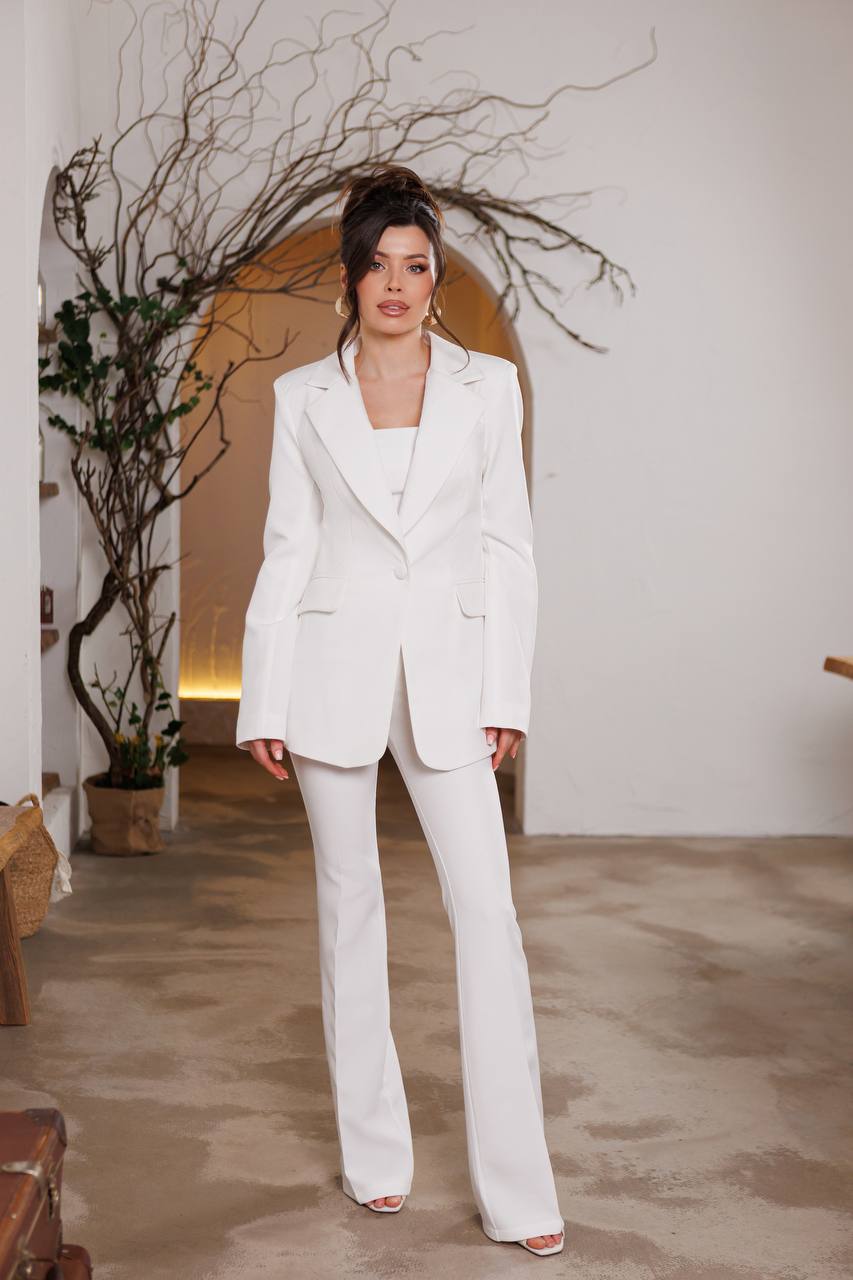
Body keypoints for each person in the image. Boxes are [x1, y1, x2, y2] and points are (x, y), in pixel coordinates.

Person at [235, 163, 565, 1258]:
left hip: (452, 676)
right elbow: (288, 549)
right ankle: (375, 1158)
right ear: (350, 276)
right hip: (329, 669)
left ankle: (520, 1191)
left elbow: (509, 548)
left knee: (488, 918)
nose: (395, 284)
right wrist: (262, 692)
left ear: (435, 278)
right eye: (377, 264)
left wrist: (506, 689)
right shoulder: (302, 398)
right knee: (349, 910)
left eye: (415, 266)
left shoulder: (489, 388)